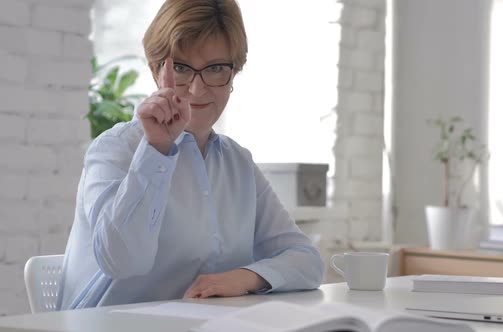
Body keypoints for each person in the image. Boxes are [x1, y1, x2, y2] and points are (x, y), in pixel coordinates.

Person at [57, 0, 324, 310]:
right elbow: (123, 261)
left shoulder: (237, 163)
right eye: (181, 68)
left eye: (215, 69)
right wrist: (156, 151)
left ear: (234, 72)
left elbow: (307, 261)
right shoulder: (115, 149)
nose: (197, 90)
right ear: (156, 71)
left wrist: (242, 278)